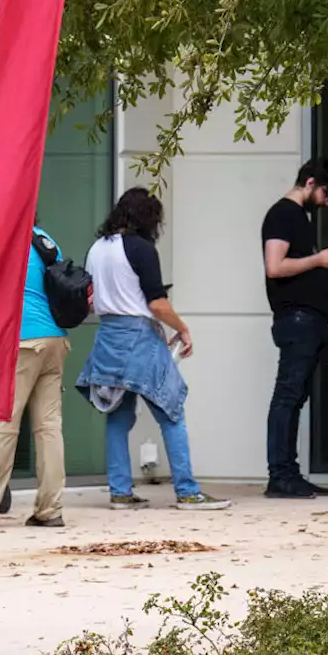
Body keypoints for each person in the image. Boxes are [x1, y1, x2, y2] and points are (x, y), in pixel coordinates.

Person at [77, 188, 230, 512]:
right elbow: (157, 304)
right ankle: (187, 492)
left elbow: (91, 298)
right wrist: (182, 328)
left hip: (108, 336)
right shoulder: (141, 249)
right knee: (171, 411)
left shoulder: (97, 249)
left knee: (118, 416)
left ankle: (120, 491)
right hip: (139, 336)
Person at [0, 223, 71, 528]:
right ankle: (51, 510)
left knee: (1, 425)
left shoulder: (2, 238)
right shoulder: (45, 239)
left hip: (19, 341)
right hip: (54, 339)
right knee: (49, 428)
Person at [261, 159, 328, 500]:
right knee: (288, 395)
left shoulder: (299, 217)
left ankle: (290, 473)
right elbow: (274, 266)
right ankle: (280, 475)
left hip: (307, 319)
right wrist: (318, 260)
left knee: (295, 397)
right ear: (310, 183)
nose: (327, 201)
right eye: (326, 192)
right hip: (296, 319)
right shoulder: (283, 214)